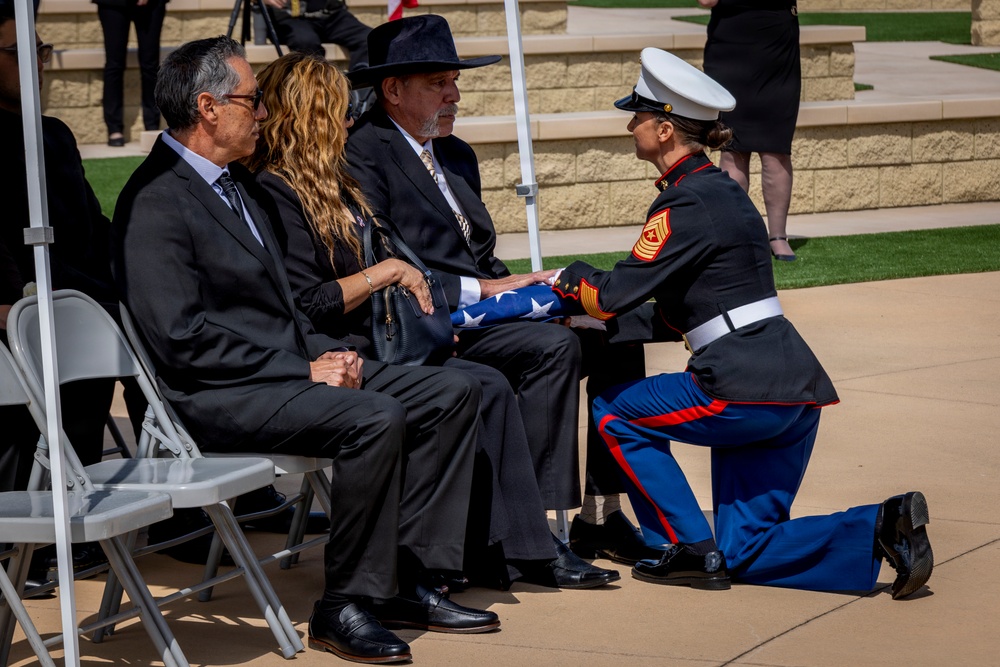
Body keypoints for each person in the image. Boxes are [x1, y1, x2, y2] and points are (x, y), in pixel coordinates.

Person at [112, 36, 499, 664]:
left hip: (276, 377)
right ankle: (343, 603)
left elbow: (284, 312)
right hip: (213, 397)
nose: (263, 113)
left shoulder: (234, 186)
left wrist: (332, 357)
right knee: (375, 418)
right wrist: (306, 367)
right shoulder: (156, 201)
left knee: (454, 391)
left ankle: (406, 577)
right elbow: (182, 341)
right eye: (252, 100)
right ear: (209, 108)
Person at [551, 47, 934, 600]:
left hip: (739, 389)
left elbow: (608, 294)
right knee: (743, 551)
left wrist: (565, 277)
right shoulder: (724, 191)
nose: (629, 124)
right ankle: (881, 525)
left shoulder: (683, 203)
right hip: (793, 390)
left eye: (637, 116)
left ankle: (685, 548)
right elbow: (696, 305)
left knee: (615, 413)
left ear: (663, 130)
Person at [246, 51, 619, 590]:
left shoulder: (334, 184)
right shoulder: (281, 192)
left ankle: (520, 546)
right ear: (308, 118)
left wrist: (508, 296)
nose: (352, 118)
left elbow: (460, 257)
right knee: (474, 383)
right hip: (340, 350)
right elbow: (310, 303)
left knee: (541, 355)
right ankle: (445, 566)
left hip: (395, 330)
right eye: (340, 109)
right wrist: (385, 275)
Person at [345, 15, 658, 567]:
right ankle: (529, 534)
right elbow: (382, 264)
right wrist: (489, 292)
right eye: (439, 83)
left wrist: (532, 297)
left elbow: (480, 253)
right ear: (392, 90)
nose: (455, 94)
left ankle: (599, 514)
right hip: (426, 325)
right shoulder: (363, 153)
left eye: (455, 80)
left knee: (615, 326)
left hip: (483, 312)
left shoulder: (457, 153)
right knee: (552, 349)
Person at [699, 0, 800, 261]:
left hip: (775, 45)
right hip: (731, 44)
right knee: (732, 149)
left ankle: (778, 236)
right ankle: (734, 239)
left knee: (775, 149)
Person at [93, 0, 165, 146]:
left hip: (151, 5)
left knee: (150, 65)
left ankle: (152, 126)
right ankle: (114, 128)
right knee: (114, 64)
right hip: (112, 4)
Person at [262, 0, 370, 70]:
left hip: (332, 13)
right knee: (306, 43)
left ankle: (360, 92)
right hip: (292, 18)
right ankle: (317, 94)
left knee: (370, 38)